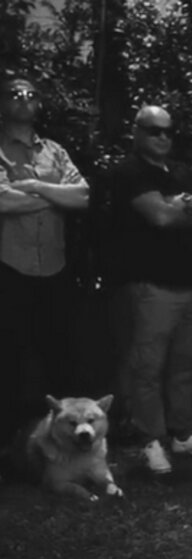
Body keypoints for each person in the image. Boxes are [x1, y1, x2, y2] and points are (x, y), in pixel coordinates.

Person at [108, 105, 192, 474]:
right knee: (147, 368)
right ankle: (150, 439)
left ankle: (184, 432)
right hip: (151, 284)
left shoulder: (180, 171)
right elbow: (160, 217)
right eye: (154, 130)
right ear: (137, 132)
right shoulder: (128, 173)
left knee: (185, 365)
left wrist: (186, 203)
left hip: (189, 283)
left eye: (167, 131)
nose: (162, 137)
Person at [0, 74, 89, 446]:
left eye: (31, 94)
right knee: (8, 362)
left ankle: (63, 444)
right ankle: (8, 448)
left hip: (55, 269)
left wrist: (36, 187)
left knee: (60, 359)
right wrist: (55, 196)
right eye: (15, 93)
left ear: (39, 103)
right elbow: (3, 201)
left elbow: (82, 196)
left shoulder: (55, 151)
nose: (23, 99)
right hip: (10, 268)